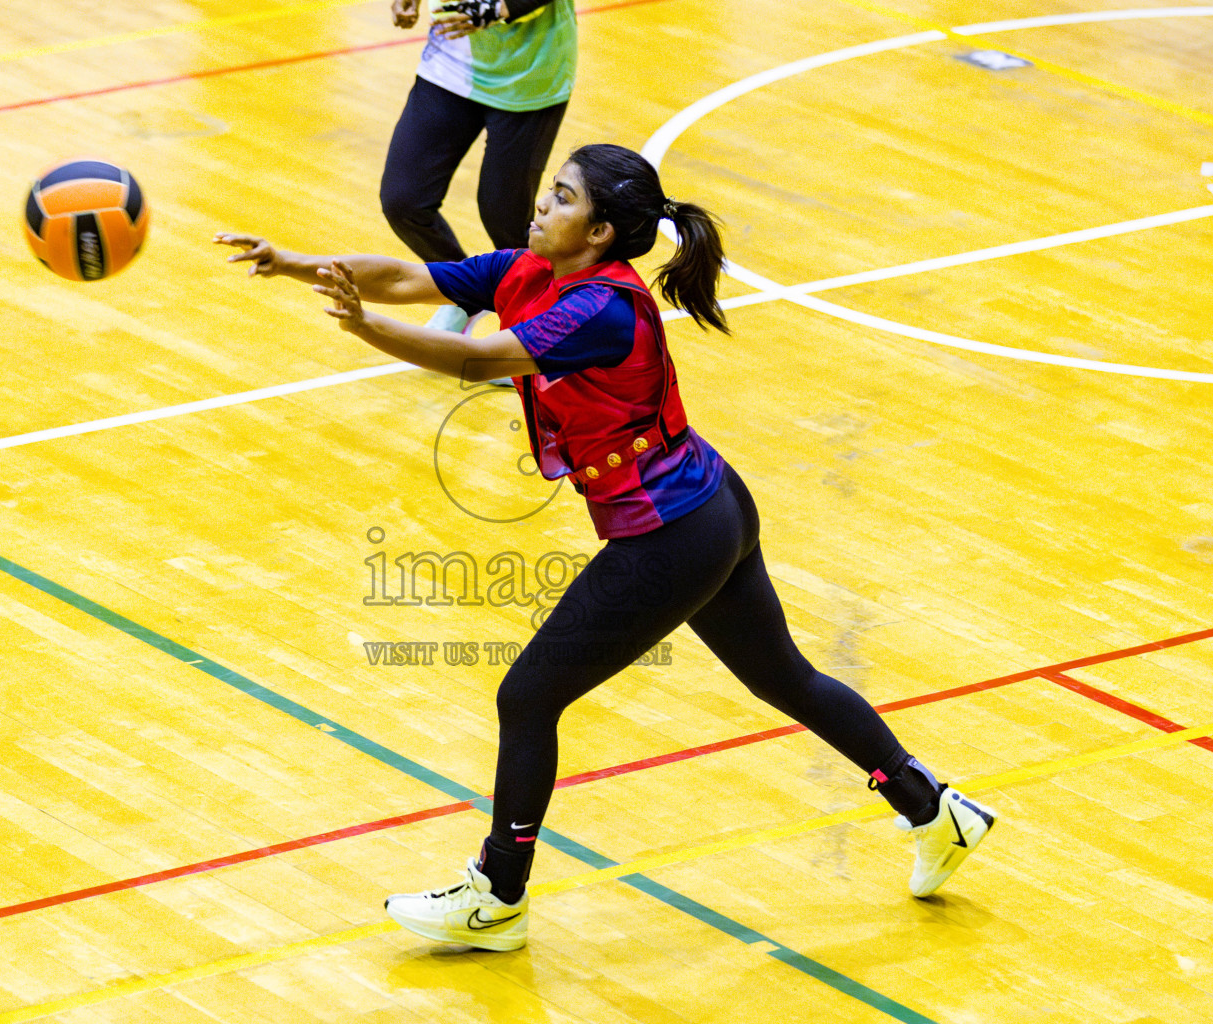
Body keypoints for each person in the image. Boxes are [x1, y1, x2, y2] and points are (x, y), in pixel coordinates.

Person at [214, 143, 997, 952]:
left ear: (599, 233)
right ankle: (936, 809)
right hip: (711, 504)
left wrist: (367, 329)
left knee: (528, 698)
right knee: (786, 679)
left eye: (560, 198)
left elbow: (478, 357)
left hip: (672, 534)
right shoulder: (528, 272)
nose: (541, 206)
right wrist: (296, 265)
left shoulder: (602, 311)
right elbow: (415, 278)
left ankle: (497, 896)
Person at [382, 0, 575, 333]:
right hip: (450, 66)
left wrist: (494, 9)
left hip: (529, 76)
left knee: (505, 217)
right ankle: (465, 295)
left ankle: (534, 333)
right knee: (405, 201)